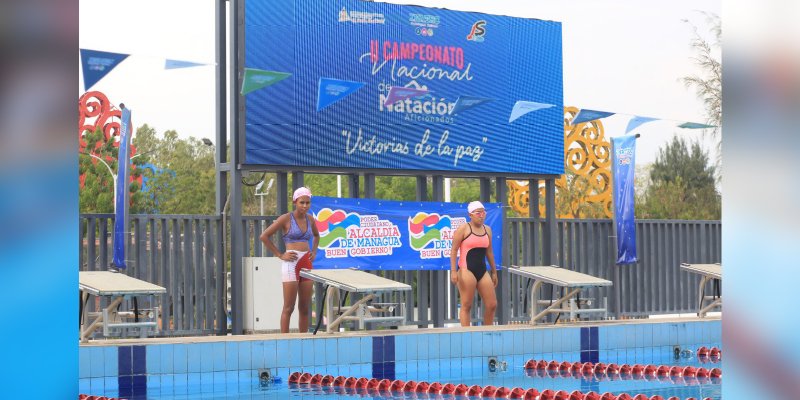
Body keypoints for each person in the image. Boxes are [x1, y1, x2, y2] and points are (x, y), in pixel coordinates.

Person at [260, 186, 320, 333]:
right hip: (291, 263)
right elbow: (264, 236)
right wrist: (280, 255)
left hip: (306, 262)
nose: (305, 206)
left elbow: (317, 236)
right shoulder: (286, 218)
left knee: (305, 307)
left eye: (307, 203)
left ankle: (303, 339)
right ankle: (285, 340)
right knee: (289, 306)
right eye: (302, 203)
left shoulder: (310, 219)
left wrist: (314, 251)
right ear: (295, 202)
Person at [450, 200, 498, 326]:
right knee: (466, 305)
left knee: (492, 304)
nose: (481, 215)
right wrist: (453, 272)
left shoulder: (487, 230)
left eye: (483, 212)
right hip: (466, 270)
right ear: (470, 215)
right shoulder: (463, 229)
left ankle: (487, 333)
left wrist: (494, 272)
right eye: (478, 213)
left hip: (482, 271)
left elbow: (489, 252)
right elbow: (454, 250)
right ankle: (467, 336)